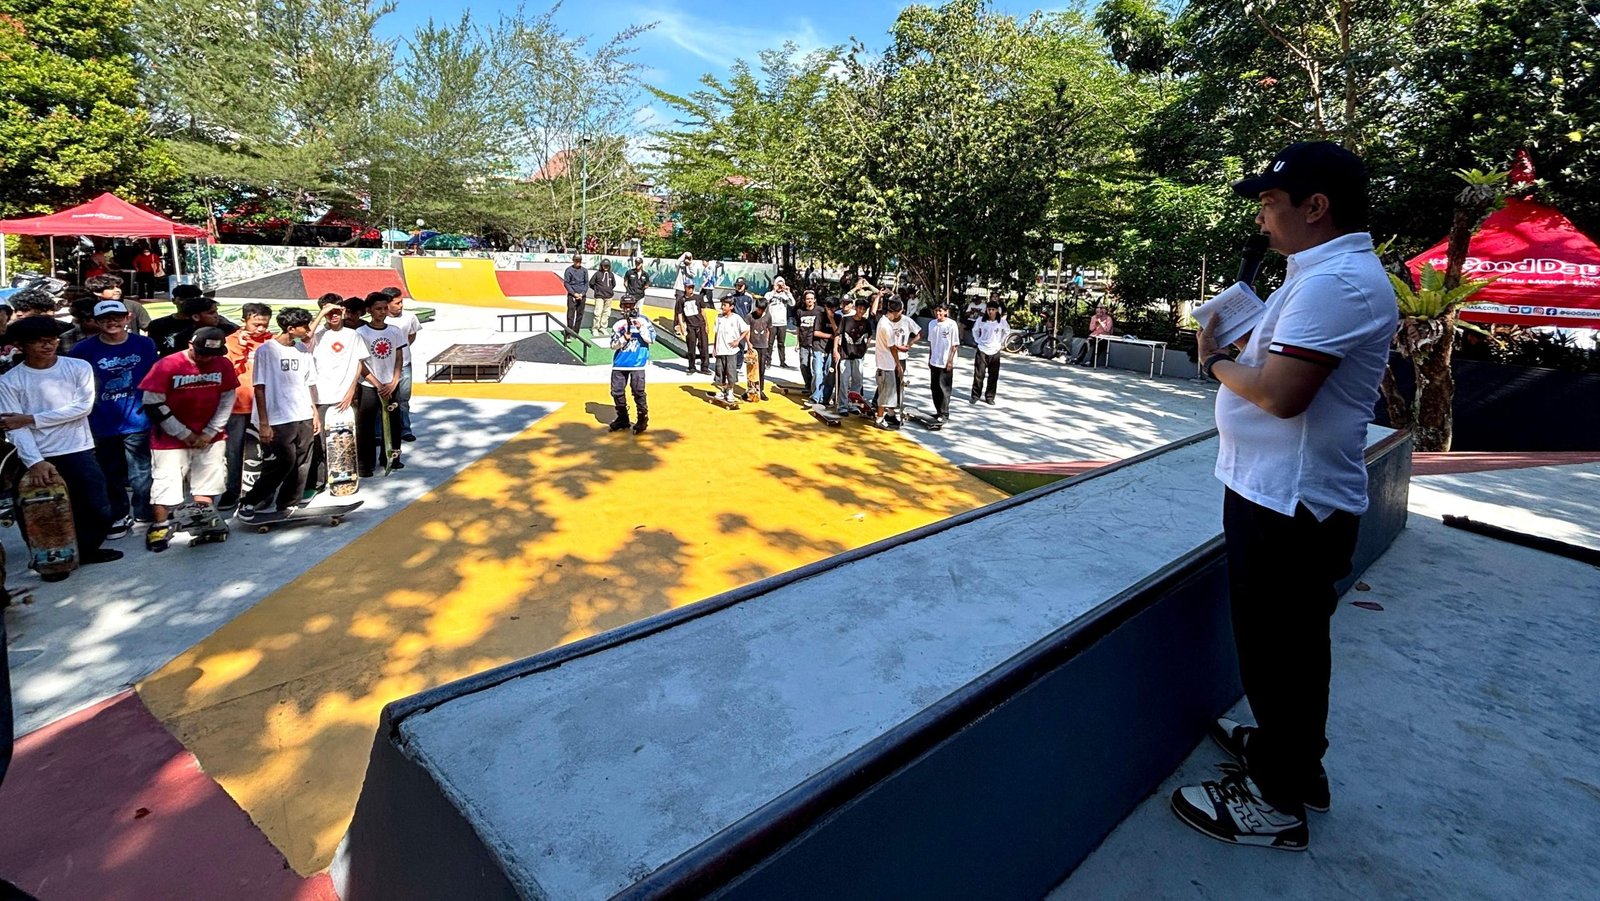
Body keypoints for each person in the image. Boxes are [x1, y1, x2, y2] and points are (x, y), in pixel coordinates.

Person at [1170, 141, 1398, 852]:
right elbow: (1281, 367)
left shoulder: (1339, 283)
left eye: (1271, 202)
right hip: (1278, 493)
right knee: (1285, 646)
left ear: (1315, 207)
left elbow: (1279, 392)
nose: (1263, 217)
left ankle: (1276, 799)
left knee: (1280, 648)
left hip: (1291, 501)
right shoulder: (1321, 274)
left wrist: (1214, 360)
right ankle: (1290, 757)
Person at [0, 316, 122, 569]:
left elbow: (82, 408)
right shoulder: (9, 381)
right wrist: (35, 462)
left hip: (78, 448)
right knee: (37, 511)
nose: (49, 346)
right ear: (22, 346)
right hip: (36, 454)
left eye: (52, 340)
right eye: (40, 342)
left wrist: (31, 418)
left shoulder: (78, 368)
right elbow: (13, 426)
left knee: (96, 506)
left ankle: (86, 551)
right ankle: (48, 557)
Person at [137, 327, 238, 550]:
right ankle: (160, 525)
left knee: (207, 481)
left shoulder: (222, 364)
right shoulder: (167, 364)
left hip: (210, 436)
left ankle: (202, 521)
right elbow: (152, 403)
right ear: (190, 344)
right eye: (200, 352)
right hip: (170, 439)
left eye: (210, 354)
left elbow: (227, 399)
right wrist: (184, 433)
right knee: (165, 483)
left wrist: (210, 432)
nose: (204, 358)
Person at [69, 300, 157, 536]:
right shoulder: (81, 351)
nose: (112, 322)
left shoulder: (144, 344)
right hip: (101, 421)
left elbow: (154, 377)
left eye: (117, 317)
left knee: (141, 471)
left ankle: (144, 511)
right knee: (110, 473)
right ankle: (118, 515)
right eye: (105, 319)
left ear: (127, 318)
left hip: (138, 419)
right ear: (96, 322)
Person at [238, 309, 320, 519]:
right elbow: (259, 387)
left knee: (302, 461)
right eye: (305, 326)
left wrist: (315, 413)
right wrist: (264, 423)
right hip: (277, 417)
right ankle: (249, 501)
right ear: (291, 329)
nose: (308, 330)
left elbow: (309, 383)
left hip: (302, 414)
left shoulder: (303, 349)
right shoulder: (267, 351)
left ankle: (288, 502)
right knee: (282, 462)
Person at [217, 303, 275, 510]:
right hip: (238, 406)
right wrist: (241, 347)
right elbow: (226, 371)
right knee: (234, 452)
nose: (260, 329)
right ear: (244, 321)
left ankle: (263, 492)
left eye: (264, 325)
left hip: (266, 407)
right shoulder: (230, 341)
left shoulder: (271, 341)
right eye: (256, 324)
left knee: (265, 450)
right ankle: (232, 491)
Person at [307, 299, 368, 488]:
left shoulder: (353, 335)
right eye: (328, 313)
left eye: (336, 312)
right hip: (321, 396)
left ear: (343, 311)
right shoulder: (316, 334)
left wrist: (351, 391)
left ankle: (346, 475)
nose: (333, 316)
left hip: (344, 396)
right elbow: (306, 337)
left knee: (345, 439)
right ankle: (319, 480)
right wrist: (321, 313)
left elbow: (359, 363)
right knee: (321, 442)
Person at [355, 295, 408, 475]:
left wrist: (394, 381)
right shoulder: (361, 333)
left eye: (385, 308)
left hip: (391, 385)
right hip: (369, 386)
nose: (383, 312)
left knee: (393, 424)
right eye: (378, 309)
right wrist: (377, 383)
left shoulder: (394, 331)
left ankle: (392, 458)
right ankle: (365, 464)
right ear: (369, 310)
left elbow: (399, 357)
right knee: (366, 426)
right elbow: (359, 363)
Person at [607, 295, 655, 434]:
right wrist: (623, 339)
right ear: (621, 307)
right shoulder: (618, 324)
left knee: (638, 392)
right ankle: (623, 418)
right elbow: (613, 345)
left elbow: (651, 339)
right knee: (616, 392)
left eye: (631, 305)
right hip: (620, 363)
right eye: (625, 306)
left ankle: (642, 419)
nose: (628, 308)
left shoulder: (644, 320)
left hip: (637, 363)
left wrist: (641, 329)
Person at [873, 297, 921, 427]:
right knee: (885, 393)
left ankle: (890, 414)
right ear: (898, 311)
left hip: (887, 362)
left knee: (891, 392)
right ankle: (879, 418)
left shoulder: (883, 321)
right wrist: (898, 365)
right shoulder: (886, 326)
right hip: (886, 364)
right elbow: (892, 348)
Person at [147, 287, 230, 357]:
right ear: (173, 300)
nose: (188, 301)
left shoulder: (219, 323)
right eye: (183, 299)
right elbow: (152, 352)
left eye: (195, 298)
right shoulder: (158, 325)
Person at [383, 288, 420, 442]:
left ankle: (405, 429)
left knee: (403, 399)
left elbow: (411, 335)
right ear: (387, 304)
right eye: (397, 303)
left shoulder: (410, 317)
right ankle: (381, 432)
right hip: (384, 366)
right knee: (383, 400)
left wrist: (402, 350)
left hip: (404, 364)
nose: (401, 306)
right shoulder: (381, 319)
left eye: (402, 302)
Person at [835, 297, 872, 416]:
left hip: (858, 355)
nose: (861, 311)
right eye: (859, 308)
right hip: (845, 355)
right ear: (855, 308)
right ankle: (843, 406)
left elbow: (870, 335)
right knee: (844, 381)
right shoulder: (846, 320)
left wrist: (866, 347)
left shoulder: (866, 322)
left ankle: (853, 405)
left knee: (858, 381)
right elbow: (837, 334)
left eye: (863, 309)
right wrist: (836, 350)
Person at [925, 303, 960, 423]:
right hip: (935, 360)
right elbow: (931, 343)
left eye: (941, 311)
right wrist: (930, 358)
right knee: (934, 387)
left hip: (945, 361)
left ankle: (944, 413)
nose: (938, 313)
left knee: (944, 388)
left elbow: (954, 345)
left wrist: (950, 361)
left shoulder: (951, 324)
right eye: (936, 311)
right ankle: (938, 410)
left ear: (946, 311)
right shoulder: (932, 324)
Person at [710, 297, 749, 404]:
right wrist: (714, 348)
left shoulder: (736, 318)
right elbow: (716, 333)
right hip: (720, 350)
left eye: (725, 305)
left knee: (731, 372)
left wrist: (738, 341)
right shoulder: (718, 318)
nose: (722, 307)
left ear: (731, 307)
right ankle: (723, 390)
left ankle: (730, 391)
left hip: (731, 351)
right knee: (720, 372)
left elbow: (746, 329)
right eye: (722, 305)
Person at [970, 301, 1009, 405]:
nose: (990, 312)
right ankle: (975, 395)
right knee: (979, 374)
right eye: (989, 310)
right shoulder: (980, 321)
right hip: (982, 349)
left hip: (995, 351)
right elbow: (975, 331)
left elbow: (1007, 332)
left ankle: (990, 397)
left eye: (993, 310)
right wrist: (978, 341)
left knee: (993, 376)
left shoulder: (1002, 322)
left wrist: (1000, 342)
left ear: (997, 310)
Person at [674, 273, 711, 375]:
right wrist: (682, 327)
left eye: (692, 287)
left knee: (704, 347)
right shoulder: (681, 300)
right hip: (690, 326)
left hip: (701, 325)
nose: (690, 289)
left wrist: (707, 325)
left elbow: (703, 311)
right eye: (688, 287)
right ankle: (691, 367)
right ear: (685, 288)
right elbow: (680, 315)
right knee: (691, 347)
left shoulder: (699, 298)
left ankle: (704, 367)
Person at [809, 296, 838, 407]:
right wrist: (830, 336)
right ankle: (815, 396)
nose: (832, 310)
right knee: (818, 372)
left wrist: (831, 319)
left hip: (830, 349)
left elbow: (837, 332)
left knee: (829, 374)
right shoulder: (819, 316)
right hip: (818, 347)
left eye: (834, 308)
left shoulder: (838, 318)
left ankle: (825, 398)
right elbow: (816, 332)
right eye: (829, 308)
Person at [746, 298, 774, 400]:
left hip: (763, 346)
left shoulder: (768, 316)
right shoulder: (750, 316)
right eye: (758, 308)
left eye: (762, 309)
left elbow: (769, 330)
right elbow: (747, 330)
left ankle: (760, 390)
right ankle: (750, 390)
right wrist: (748, 343)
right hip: (753, 346)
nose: (760, 311)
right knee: (751, 370)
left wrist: (768, 343)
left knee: (761, 370)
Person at [795, 290, 821, 395]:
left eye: (811, 298)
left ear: (814, 300)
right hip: (803, 342)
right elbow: (797, 327)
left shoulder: (819, 311)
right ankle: (808, 384)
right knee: (803, 364)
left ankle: (815, 388)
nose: (809, 300)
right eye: (807, 299)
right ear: (804, 300)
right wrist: (797, 342)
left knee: (816, 367)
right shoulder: (800, 312)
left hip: (815, 343)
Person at [767, 277, 792, 367]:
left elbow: (792, 303)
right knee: (770, 343)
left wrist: (788, 292)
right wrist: (774, 291)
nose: (780, 286)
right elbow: (765, 301)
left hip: (782, 323)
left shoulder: (785, 295)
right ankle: (768, 361)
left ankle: (782, 361)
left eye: (782, 284)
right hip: (772, 323)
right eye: (778, 284)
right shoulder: (769, 294)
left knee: (781, 343)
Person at [562, 253, 589, 335]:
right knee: (571, 315)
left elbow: (586, 283)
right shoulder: (569, 270)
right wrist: (574, 294)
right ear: (573, 261)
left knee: (580, 315)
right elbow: (566, 283)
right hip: (572, 295)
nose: (578, 262)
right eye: (576, 261)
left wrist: (582, 294)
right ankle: (569, 333)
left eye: (579, 261)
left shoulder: (584, 271)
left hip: (582, 296)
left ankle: (576, 332)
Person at [590, 258, 617, 337]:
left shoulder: (611, 274)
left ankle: (603, 327)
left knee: (607, 312)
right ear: (601, 266)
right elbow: (591, 283)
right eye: (604, 266)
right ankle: (595, 328)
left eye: (607, 266)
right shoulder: (597, 274)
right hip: (599, 296)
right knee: (598, 312)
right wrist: (597, 290)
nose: (606, 267)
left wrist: (609, 290)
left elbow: (613, 284)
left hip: (609, 296)